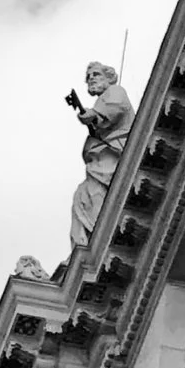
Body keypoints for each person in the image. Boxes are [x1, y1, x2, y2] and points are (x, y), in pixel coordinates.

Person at [66, 61, 135, 255]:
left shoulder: (114, 92)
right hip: (102, 161)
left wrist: (94, 116)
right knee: (83, 196)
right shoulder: (102, 100)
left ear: (108, 77)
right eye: (88, 77)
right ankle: (88, 243)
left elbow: (115, 108)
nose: (91, 79)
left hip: (113, 159)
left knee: (91, 194)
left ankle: (97, 241)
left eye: (96, 74)